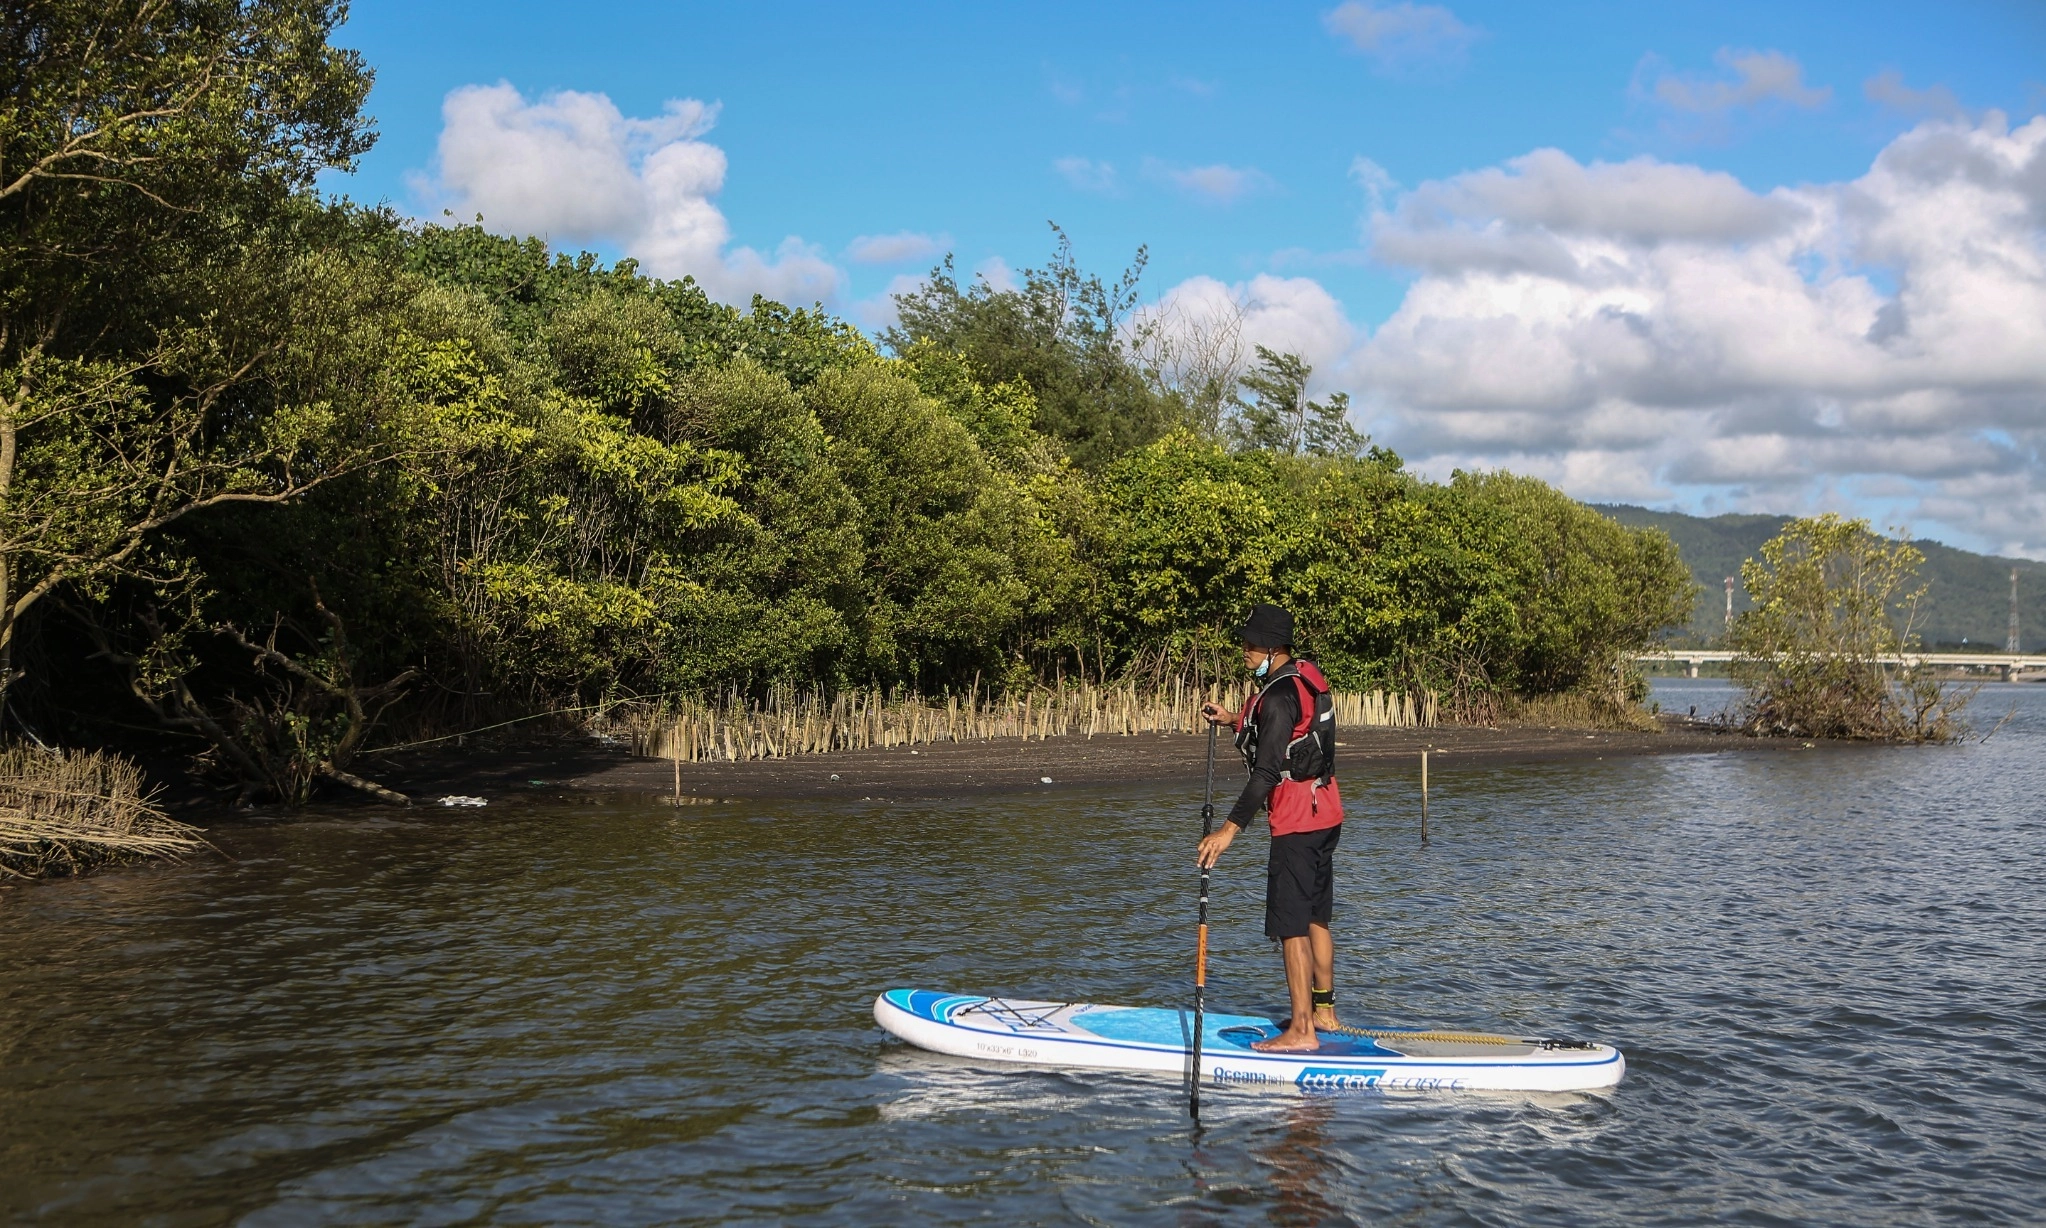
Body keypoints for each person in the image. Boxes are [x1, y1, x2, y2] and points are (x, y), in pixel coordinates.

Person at [1197, 603, 1345, 1053]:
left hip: (1297, 821)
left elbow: (1265, 773)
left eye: (1251, 643)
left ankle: (1302, 1031)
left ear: (1273, 647)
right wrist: (1232, 720)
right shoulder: (1301, 676)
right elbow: (1286, 733)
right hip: (1327, 811)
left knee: (1291, 925)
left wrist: (1226, 831)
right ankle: (1324, 1012)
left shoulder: (1278, 695)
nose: (1244, 650)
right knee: (1316, 915)